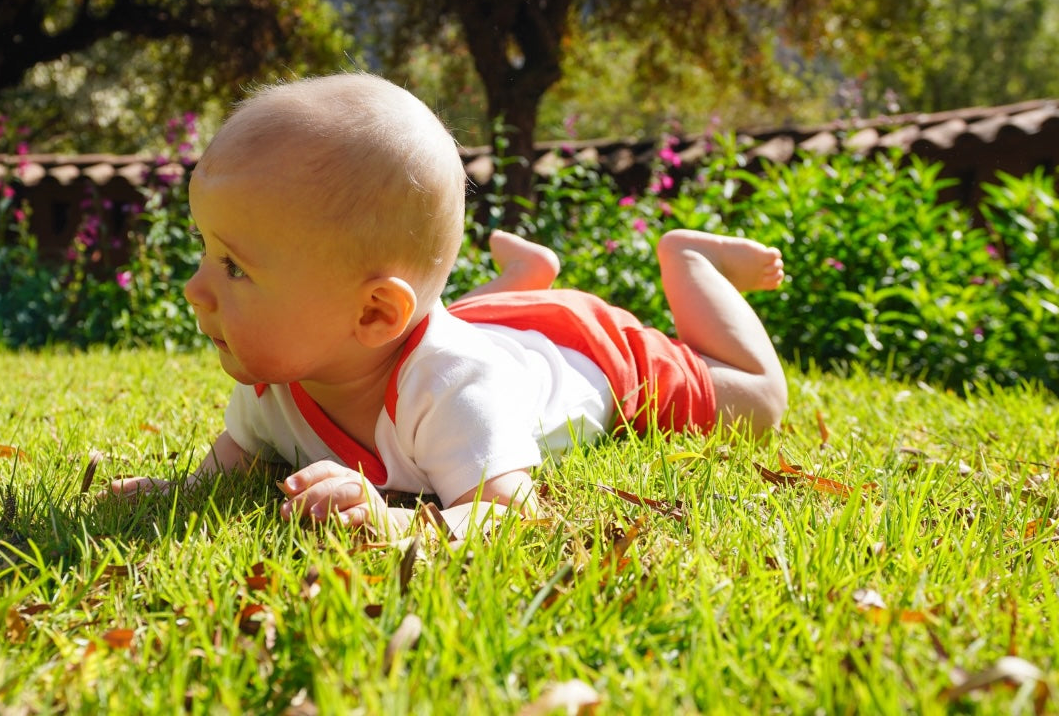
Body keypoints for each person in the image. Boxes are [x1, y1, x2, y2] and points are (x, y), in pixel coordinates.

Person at [112, 73, 787, 536]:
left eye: (233, 267)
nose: (193, 289)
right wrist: (181, 491)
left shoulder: (454, 387)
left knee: (756, 400)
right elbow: (240, 455)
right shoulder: (277, 374)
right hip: (476, 329)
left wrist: (396, 522)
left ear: (375, 313)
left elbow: (509, 515)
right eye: (207, 251)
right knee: (452, 327)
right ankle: (524, 277)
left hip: (588, 351)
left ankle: (691, 262)